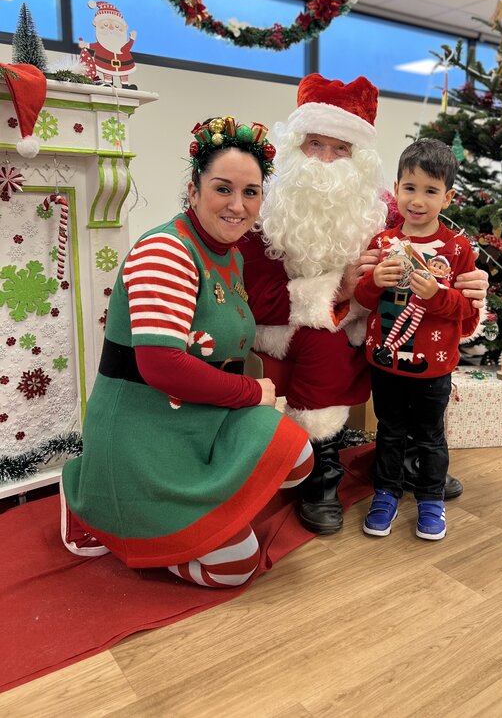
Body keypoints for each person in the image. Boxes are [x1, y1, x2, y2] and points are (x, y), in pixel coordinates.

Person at [60, 115, 313, 587]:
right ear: (193, 190)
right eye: (223, 189)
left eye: (251, 192)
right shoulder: (167, 251)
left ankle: (201, 518)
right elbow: (162, 366)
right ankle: (98, 501)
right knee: (234, 567)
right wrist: (251, 392)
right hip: (145, 428)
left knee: (297, 454)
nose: (238, 205)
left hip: (200, 415)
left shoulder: (230, 252)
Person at [238, 74, 488, 535]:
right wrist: (339, 290)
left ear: (360, 158)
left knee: (410, 348)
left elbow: (437, 252)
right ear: (295, 146)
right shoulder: (268, 209)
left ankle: (412, 458)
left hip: (374, 316)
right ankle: (320, 473)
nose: (325, 160)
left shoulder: (386, 207)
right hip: (290, 324)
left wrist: (470, 286)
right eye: (315, 144)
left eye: (341, 148)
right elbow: (259, 300)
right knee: (324, 343)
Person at [356, 138, 478, 540]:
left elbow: (467, 310)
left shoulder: (457, 248)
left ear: (448, 197)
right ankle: (386, 493)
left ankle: (430, 498)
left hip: (434, 366)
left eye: (431, 190)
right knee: (389, 430)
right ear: (396, 189)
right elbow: (364, 301)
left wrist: (437, 295)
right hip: (385, 360)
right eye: (410, 188)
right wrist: (374, 281)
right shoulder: (382, 242)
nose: (418, 200)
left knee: (430, 435)